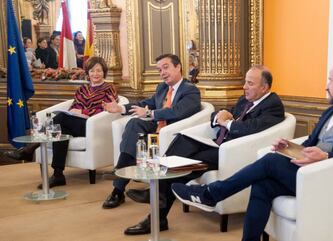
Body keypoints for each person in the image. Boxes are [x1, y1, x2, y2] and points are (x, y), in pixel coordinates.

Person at [171, 60, 333, 241]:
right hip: (310, 172)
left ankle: (212, 193)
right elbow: (311, 145)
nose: (326, 85)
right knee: (262, 184)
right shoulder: (331, 111)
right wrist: (290, 148)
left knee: (270, 161)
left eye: (330, 80)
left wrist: (326, 157)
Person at [122, 65, 286, 235]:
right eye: (245, 82)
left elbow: (249, 128)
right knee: (183, 139)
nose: (244, 87)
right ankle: (157, 192)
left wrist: (226, 122)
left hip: (233, 153)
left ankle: (156, 203)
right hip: (219, 144)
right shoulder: (245, 100)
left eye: (250, 83)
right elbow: (219, 115)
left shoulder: (273, 105)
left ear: (264, 87)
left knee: (187, 164)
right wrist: (219, 118)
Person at [101, 53, 201, 211]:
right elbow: (146, 103)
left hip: (172, 134)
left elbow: (177, 112)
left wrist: (150, 114)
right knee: (134, 123)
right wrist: (120, 108)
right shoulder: (162, 88)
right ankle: (119, 181)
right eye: (159, 70)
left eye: (166, 67)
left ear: (178, 67)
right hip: (156, 129)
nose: (162, 73)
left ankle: (117, 188)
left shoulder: (191, 90)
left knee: (139, 137)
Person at [4, 57, 118, 188]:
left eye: (99, 71)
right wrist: (75, 111)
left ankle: (29, 149)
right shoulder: (82, 89)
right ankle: (58, 175)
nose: (95, 74)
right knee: (60, 129)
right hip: (76, 124)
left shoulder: (109, 88)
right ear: (88, 73)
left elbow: (108, 109)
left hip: (94, 126)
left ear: (104, 72)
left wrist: (85, 114)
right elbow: (74, 107)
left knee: (60, 119)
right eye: (92, 71)